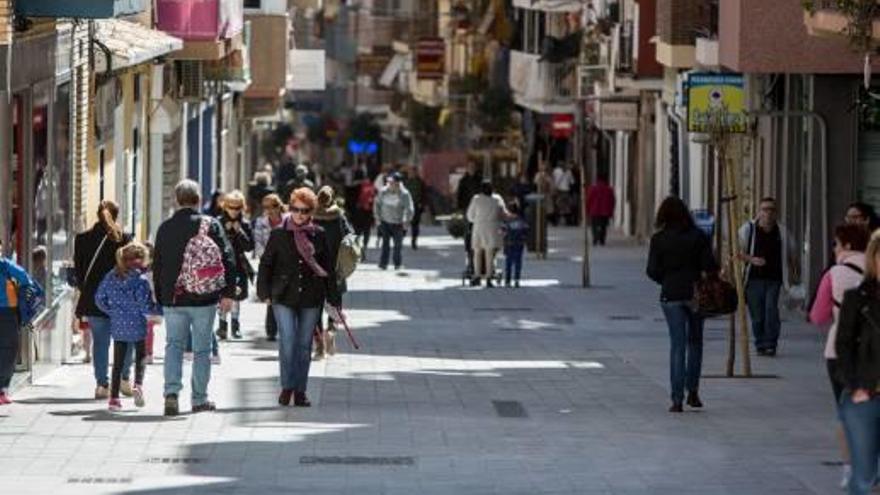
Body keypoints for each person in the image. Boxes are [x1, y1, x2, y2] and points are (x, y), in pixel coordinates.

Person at [153, 180, 238, 417]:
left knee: (173, 346)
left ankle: (171, 394)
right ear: (199, 200)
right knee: (202, 350)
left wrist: (161, 296)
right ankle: (199, 399)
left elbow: (157, 265)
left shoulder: (165, 228)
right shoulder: (211, 225)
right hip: (205, 298)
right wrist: (228, 293)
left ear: (176, 200)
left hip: (174, 298)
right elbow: (228, 259)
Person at [257, 187, 341, 407]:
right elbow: (266, 264)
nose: (299, 214)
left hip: (311, 297)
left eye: (304, 211)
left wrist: (334, 300)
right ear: (290, 207)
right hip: (282, 296)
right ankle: (287, 387)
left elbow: (329, 269)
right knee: (288, 341)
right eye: (295, 209)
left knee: (304, 345)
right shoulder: (278, 234)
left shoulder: (319, 235)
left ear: (311, 212)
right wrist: (263, 292)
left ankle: (300, 391)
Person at [809, 224, 869, 491]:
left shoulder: (834, 273)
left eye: (835, 244)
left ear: (844, 244)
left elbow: (817, 316)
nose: (834, 249)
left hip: (840, 352)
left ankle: (851, 468)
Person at [647, 196, 718, 413]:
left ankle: (677, 399)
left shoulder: (658, 239)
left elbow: (651, 270)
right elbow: (710, 266)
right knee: (695, 342)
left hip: (670, 295)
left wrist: (666, 280)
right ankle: (693, 391)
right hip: (695, 294)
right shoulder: (698, 236)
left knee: (677, 346)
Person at [73, 200, 133, 400]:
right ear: (115, 216)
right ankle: (124, 378)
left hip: (93, 300)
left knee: (100, 343)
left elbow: (79, 274)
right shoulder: (124, 239)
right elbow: (131, 270)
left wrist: (87, 291)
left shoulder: (82, 239)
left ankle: (102, 385)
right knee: (125, 339)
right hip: (121, 301)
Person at [836, 229, 880, 495]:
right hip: (866, 394)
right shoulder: (858, 299)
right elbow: (844, 345)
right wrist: (855, 387)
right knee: (864, 478)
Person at [95, 242, 161, 411]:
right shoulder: (140, 280)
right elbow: (144, 306)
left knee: (117, 363)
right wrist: (158, 309)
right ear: (140, 260)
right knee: (140, 357)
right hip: (138, 324)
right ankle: (138, 384)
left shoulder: (111, 276)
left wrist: (110, 311)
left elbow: (99, 298)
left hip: (118, 324)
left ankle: (114, 399)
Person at [738, 197, 799, 357]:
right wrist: (752, 259)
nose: (768, 213)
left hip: (775, 279)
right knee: (757, 315)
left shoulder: (783, 232)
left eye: (771, 209)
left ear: (776, 212)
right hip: (753, 279)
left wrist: (794, 274)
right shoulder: (748, 229)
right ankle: (760, 343)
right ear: (758, 211)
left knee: (771, 310)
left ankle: (770, 343)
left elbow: (793, 254)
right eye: (765, 209)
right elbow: (737, 252)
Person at [312, 186, 354, 360]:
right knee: (335, 304)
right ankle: (331, 330)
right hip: (335, 269)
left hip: (315, 269)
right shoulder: (339, 216)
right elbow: (350, 236)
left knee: (315, 307)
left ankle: (319, 345)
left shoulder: (312, 217)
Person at [0, 239, 41, 405]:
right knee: (9, 349)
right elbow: (26, 281)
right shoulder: (5, 265)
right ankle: (2, 389)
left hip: (8, 311)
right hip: (7, 311)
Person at [215, 190, 254, 340]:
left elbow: (249, 247)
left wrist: (240, 232)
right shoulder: (218, 222)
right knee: (222, 294)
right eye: (231, 207)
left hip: (238, 264)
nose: (234, 211)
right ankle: (222, 325)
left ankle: (235, 325)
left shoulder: (244, 224)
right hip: (221, 264)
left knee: (236, 295)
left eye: (237, 208)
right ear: (225, 206)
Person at [254, 193, 287, 341]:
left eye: (272, 206)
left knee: (285, 295)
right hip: (268, 264)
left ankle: (285, 327)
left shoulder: (288, 221)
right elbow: (258, 243)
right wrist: (266, 258)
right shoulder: (261, 222)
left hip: (285, 262)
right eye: (266, 207)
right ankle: (271, 330)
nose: (269, 210)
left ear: (278, 206)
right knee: (271, 296)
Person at [466, 181, 509, 288]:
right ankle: (489, 277)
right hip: (492, 228)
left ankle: (477, 276)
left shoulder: (476, 199)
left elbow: (470, 216)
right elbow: (503, 213)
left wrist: (477, 219)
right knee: (490, 254)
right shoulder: (497, 199)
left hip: (479, 227)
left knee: (477, 253)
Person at [373, 173, 415, 271]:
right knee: (385, 244)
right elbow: (377, 205)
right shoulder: (383, 191)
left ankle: (397, 264)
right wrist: (377, 218)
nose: (389, 184)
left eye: (392, 182)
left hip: (398, 223)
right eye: (389, 182)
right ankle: (383, 264)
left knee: (397, 245)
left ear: (397, 183)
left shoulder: (404, 194)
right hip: (384, 222)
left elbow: (409, 209)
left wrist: (406, 221)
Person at [457, 163, 483, 277]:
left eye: (473, 167)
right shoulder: (463, 180)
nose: (471, 169)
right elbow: (460, 194)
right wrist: (460, 208)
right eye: (470, 168)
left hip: (480, 209)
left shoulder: (480, 179)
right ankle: (469, 256)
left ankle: (479, 260)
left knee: (479, 232)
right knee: (468, 233)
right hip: (467, 208)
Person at [502, 202, 530, 288]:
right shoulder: (522, 220)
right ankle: (517, 280)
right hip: (519, 243)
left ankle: (507, 281)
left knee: (508, 262)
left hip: (509, 243)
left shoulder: (507, 221)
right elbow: (526, 230)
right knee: (518, 262)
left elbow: (503, 231)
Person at [351, 171, 376, 261]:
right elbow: (374, 200)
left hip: (357, 214)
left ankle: (359, 250)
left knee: (357, 234)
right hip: (367, 213)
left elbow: (350, 201)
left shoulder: (353, 187)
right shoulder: (371, 186)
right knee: (366, 233)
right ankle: (363, 249)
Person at [586, 172, 615, 246]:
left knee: (594, 225)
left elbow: (589, 199)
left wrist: (587, 209)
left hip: (594, 210)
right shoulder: (609, 189)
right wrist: (611, 211)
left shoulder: (593, 188)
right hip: (605, 211)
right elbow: (612, 201)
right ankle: (602, 239)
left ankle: (595, 238)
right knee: (603, 226)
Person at [404, 165, 426, 250]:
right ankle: (401, 238)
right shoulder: (406, 182)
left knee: (415, 224)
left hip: (416, 205)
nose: (412, 174)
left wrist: (423, 204)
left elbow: (424, 194)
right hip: (407, 205)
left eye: (414, 172)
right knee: (405, 222)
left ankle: (414, 240)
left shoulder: (420, 182)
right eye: (411, 172)